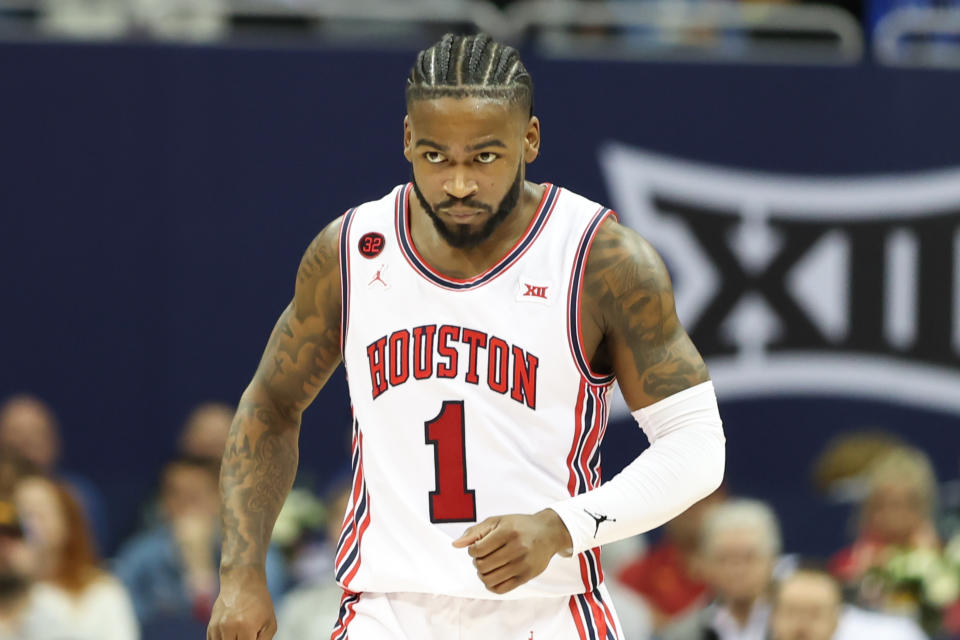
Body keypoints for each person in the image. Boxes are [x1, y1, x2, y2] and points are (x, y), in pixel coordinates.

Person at [207, 32, 726, 640]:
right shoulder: (351, 250)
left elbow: (696, 446)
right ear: (406, 140)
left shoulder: (600, 260)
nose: (458, 184)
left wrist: (562, 526)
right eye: (435, 157)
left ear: (529, 139)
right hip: (385, 609)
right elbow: (270, 406)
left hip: (544, 609)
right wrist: (241, 573)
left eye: (484, 157)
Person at [115, 457, 286, 628]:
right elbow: (118, 615)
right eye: (174, 495)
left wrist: (201, 568)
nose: (184, 506)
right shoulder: (141, 551)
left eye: (194, 497)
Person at [12, 474, 138, 640]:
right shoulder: (10, 593)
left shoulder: (103, 591)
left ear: (67, 520)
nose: (31, 525)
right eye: (23, 513)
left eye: (41, 512)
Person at [0, 395, 110, 554]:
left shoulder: (77, 497)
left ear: (54, 443)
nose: (24, 444)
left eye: (35, 434)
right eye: (16, 434)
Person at [662, 499, 780, 640]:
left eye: (749, 557)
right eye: (724, 558)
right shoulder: (681, 634)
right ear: (705, 564)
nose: (737, 570)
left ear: (772, 561)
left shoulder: (799, 628)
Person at [617, 488, 725, 631]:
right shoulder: (639, 573)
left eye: (704, 502)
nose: (694, 513)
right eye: (686, 505)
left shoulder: (744, 570)